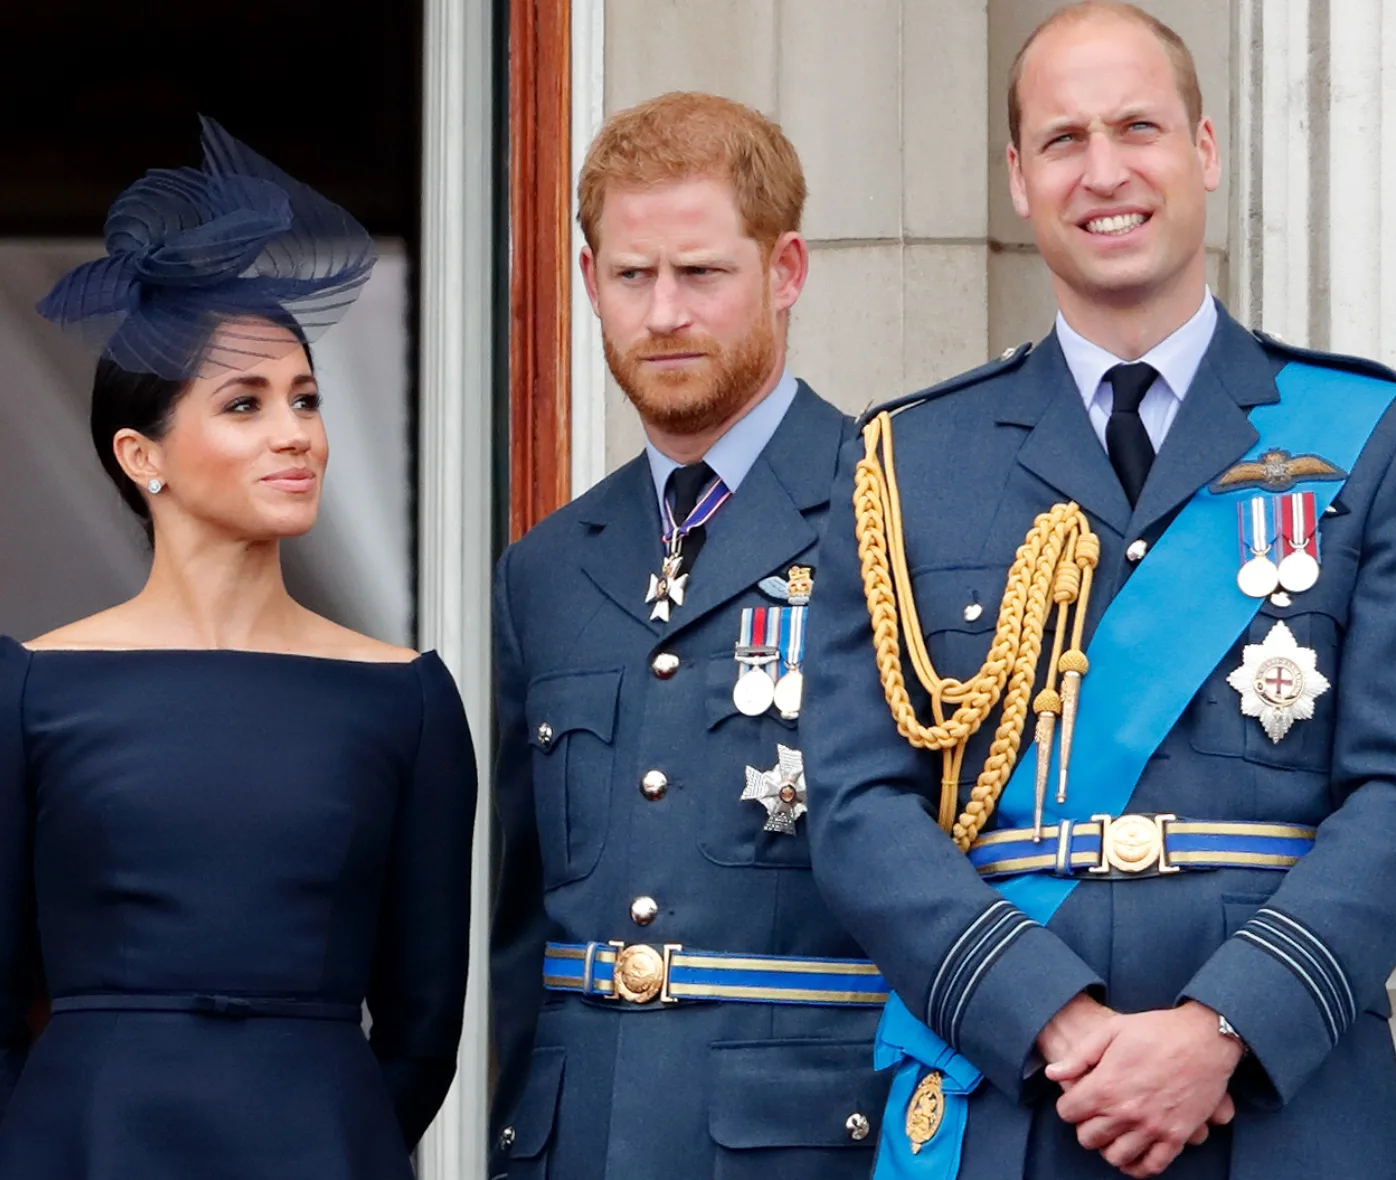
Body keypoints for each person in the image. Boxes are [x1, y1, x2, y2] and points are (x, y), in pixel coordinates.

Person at [798, 5, 1396, 1178]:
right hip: (1020, 1091)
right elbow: (861, 806)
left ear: (1205, 151)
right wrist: (1053, 1021)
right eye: (1062, 140)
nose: (1103, 171)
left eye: (1138, 128)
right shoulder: (908, 460)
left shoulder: (1376, 438)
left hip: (1278, 1099)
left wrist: (1221, 1031)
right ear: (1018, 178)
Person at [0, 117, 477, 1179]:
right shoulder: (28, 687)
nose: (296, 432)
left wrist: (327, 1134)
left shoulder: (408, 699)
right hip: (85, 1149)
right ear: (142, 456)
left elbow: (423, 1028)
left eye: (306, 399)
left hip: (319, 1148)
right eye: (246, 404)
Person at [488, 92, 886, 1180]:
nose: (663, 312)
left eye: (700, 273)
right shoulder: (547, 567)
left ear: (786, 269)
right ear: (589, 283)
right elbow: (517, 920)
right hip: (574, 1141)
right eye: (631, 275)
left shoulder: (894, 515)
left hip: (806, 1145)